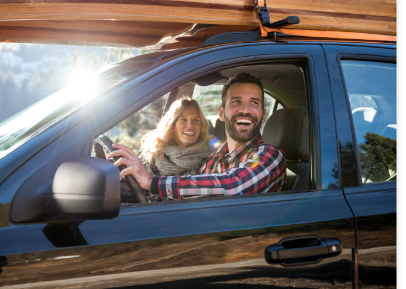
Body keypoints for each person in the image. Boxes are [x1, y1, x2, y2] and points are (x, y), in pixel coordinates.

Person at [108, 72, 287, 200]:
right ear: (221, 113)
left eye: (254, 103)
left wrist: (151, 182)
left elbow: (232, 185)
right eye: (236, 102)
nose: (245, 110)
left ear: (263, 115)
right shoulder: (213, 159)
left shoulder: (270, 156)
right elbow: (189, 194)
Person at [140, 97, 211, 178]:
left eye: (196, 120)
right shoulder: (152, 154)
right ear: (172, 124)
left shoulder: (211, 159)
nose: (190, 125)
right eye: (183, 119)